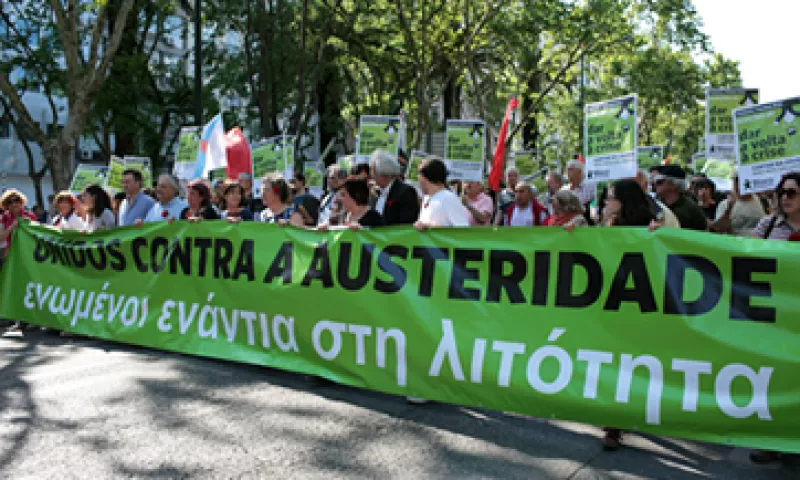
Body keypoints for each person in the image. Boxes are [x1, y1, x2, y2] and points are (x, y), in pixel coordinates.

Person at [748, 172, 800, 464]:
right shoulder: (767, 226)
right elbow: (744, 258)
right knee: (773, 376)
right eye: (782, 192)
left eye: (792, 192)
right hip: (774, 317)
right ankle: (769, 439)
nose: (785, 197)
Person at [414, 156, 469, 230]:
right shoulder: (426, 198)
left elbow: (463, 230)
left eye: (419, 175)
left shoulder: (449, 198)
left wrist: (431, 227)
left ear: (424, 177)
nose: (418, 179)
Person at [370, 149, 420, 225]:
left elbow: (407, 222)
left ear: (383, 173)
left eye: (374, 173)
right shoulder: (375, 193)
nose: (372, 177)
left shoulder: (405, 192)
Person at [652, 165, 707, 231]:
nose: (654, 184)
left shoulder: (691, 210)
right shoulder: (654, 205)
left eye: (659, 182)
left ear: (673, 184)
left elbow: (702, 234)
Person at [0, 189, 37, 260]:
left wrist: (30, 225)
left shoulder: (29, 215)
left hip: (29, 252)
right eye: (9, 202)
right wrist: (12, 227)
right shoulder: (5, 217)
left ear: (21, 202)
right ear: (6, 205)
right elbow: (1, 239)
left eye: (16, 200)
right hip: (12, 254)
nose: (13, 204)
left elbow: (38, 235)